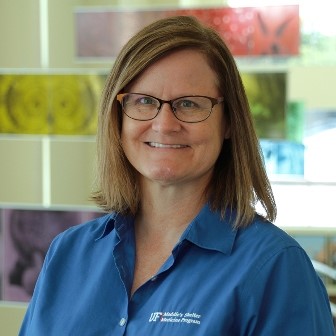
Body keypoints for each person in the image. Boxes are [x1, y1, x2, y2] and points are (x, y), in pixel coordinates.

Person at [19, 16, 334, 335]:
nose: (165, 124)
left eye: (189, 104)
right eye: (143, 101)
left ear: (228, 123)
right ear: (118, 118)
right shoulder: (68, 252)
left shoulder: (275, 268)